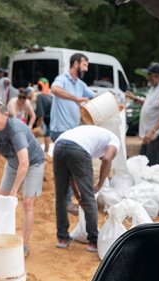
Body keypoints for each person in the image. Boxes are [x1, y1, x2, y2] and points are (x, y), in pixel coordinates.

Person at [0, 99, 45, 257]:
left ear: (5, 115)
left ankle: (24, 245)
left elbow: (25, 163)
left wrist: (15, 190)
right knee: (2, 199)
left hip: (33, 163)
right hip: (12, 163)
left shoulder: (15, 130)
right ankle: (1, 238)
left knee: (27, 203)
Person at [52, 125, 119, 253]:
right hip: (77, 148)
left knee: (61, 196)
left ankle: (62, 238)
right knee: (89, 197)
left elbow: (71, 178)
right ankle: (93, 240)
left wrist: (78, 197)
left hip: (59, 145)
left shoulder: (94, 136)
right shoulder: (114, 139)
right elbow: (107, 159)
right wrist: (98, 185)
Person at [51, 53, 94, 214]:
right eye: (84, 65)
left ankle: (67, 201)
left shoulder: (80, 84)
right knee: (67, 168)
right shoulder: (62, 79)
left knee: (69, 168)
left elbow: (93, 96)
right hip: (60, 129)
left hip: (72, 131)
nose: (86, 68)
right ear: (75, 63)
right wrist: (75, 98)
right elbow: (54, 89)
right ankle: (67, 202)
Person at [125, 62, 159, 168]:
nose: (147, 78)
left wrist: (153, 131)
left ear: (155, 76)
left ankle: (156, 184)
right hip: (151, 132)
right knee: (145, 161)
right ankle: (146, 183)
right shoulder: (155, 87)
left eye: (148, 76)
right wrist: (135, 99)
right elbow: (150, 104)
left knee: (155, 164)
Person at [34, 82, 54, 153]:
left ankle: (45, 152)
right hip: (54, 116)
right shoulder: (49, 95)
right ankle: (46, 152)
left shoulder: (40, 97)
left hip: (49, 117)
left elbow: (41, 114)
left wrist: (38, 127)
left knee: (47, 134)